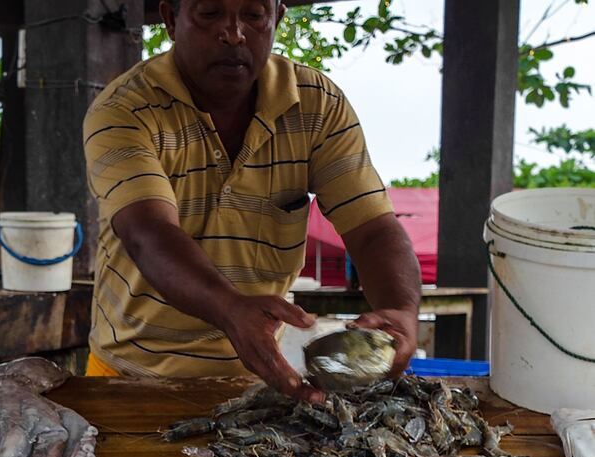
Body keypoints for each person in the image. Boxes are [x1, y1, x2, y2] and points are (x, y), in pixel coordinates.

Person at [83, 0, 421, 401]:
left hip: (263, 376)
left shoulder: (319, 105)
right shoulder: (124, 108)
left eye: (253, 15)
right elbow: (149, 233)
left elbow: (373, 228)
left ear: (276, 17)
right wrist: (230, 310)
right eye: (210, 13)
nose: (234, 33)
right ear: (172, 20)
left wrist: (401, 309)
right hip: (129, 378)